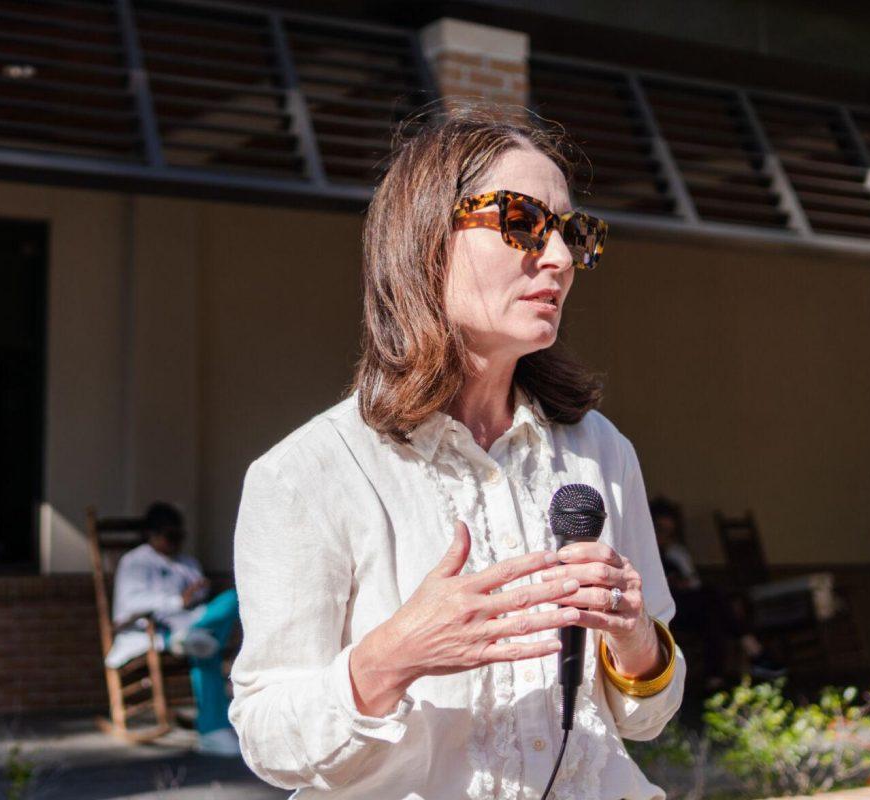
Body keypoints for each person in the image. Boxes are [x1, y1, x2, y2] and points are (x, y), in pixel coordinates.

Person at [229, 105, 685, 799]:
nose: (559, 258)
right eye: (524, 222)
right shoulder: (308, 474)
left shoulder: (601, 450)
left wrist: (636, 642)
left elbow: (650, 715)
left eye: (573, 232)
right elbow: (267, 737)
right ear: (426, 238)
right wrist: (391, 657)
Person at [107, 501, 241, 756]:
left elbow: (199, 598)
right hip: (155, 630)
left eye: (180, 537)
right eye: (171, 537)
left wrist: (198, 593)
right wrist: (178, 601)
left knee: (234, 598)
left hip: (191, 624)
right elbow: (130, 604)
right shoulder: (135, 562)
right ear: (152, 534)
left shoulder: (186, 562)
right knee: (206, 649)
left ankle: (193, 638)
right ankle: (212, 728)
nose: (176, 543)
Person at [648, 496, 784, 687]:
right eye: (660, 530)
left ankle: (715, 679)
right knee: (712, 599)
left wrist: (683, 581)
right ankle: (754, 651)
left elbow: (693, 581)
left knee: (712, 614)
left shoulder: (677, 552)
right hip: (665, 609)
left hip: (691, 605)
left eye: (669, 532)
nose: (664, 536)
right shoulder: (645, 553)